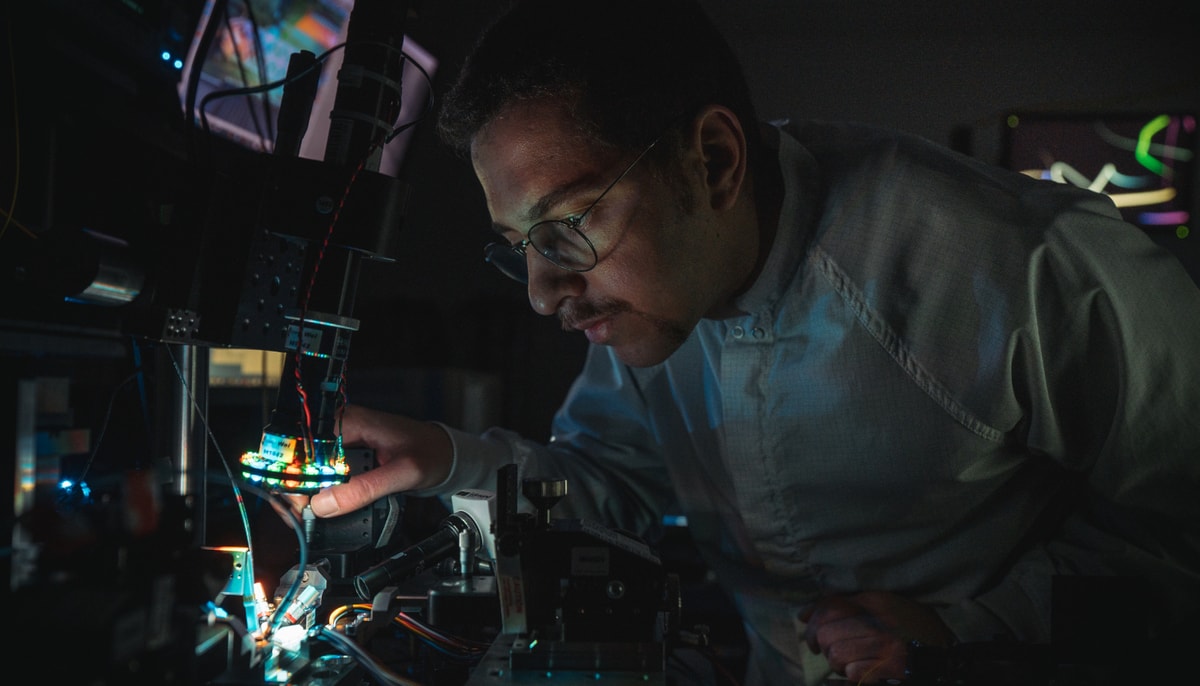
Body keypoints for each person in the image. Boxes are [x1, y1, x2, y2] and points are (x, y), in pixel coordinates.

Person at [301, 0, 1200, 683]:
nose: (542, 294)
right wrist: (448, 460)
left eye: (566, 225)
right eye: (520, 249)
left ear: (715, 162)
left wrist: (971, 630)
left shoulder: (1021, 267)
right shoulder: (648, 296)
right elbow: (615, 481)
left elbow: (1178, 541)